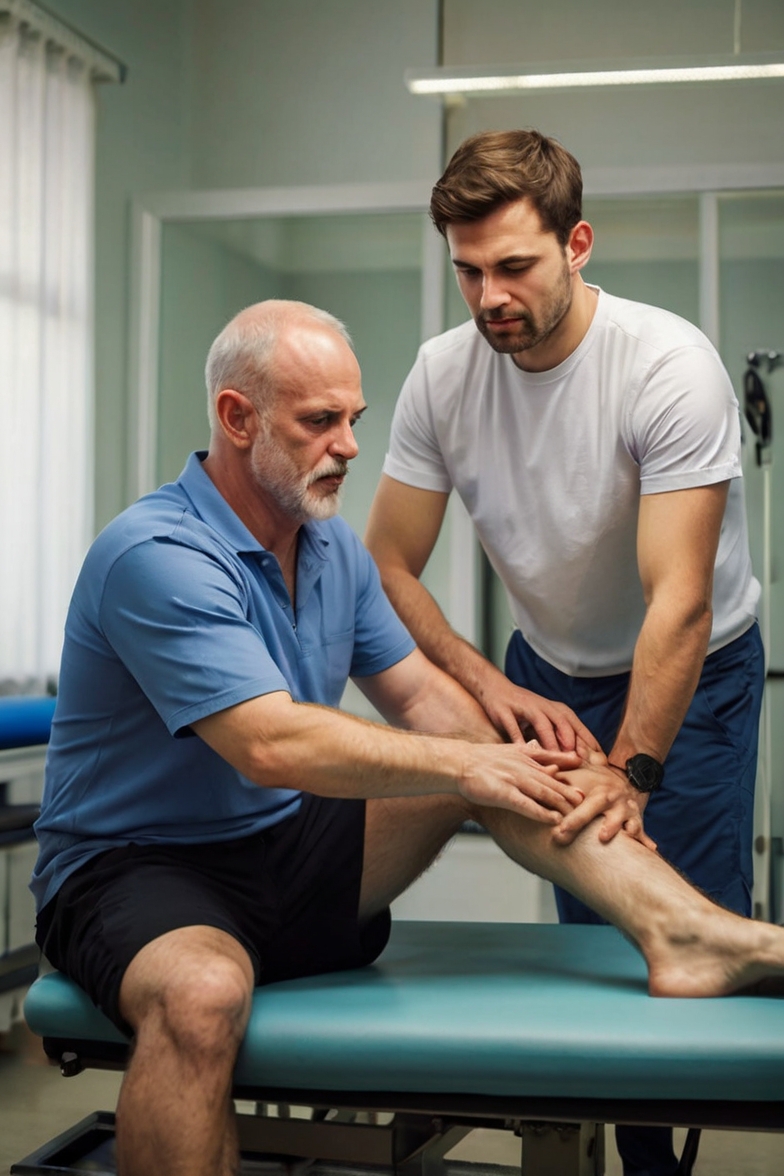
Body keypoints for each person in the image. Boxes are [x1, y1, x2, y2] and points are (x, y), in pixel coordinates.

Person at [33, 300, 778, 1176]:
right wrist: (470, 764)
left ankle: (688, 933)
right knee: (203, 993)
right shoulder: (155, 553)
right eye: (320, 422)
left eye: (354, 419)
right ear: (237, 419)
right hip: (135, 869)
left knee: (503, 756)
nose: (349, 445)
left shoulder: (330, 550)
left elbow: (424, 697)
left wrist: (507, 744)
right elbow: (268, 743)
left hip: (281, 851)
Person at [364, 130, 765, 1176]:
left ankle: (660, 1161)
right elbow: (388, 564)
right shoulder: (443, 376)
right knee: (596, 934)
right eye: (468, 271)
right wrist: (489, 682)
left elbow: (677, 602)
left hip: (693, 672)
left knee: (701, 932)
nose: (488, 296)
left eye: (513, 266)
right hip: (542, 672)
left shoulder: (666, 366)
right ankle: (614, 1151)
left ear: (577, 245)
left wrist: (629, 772)